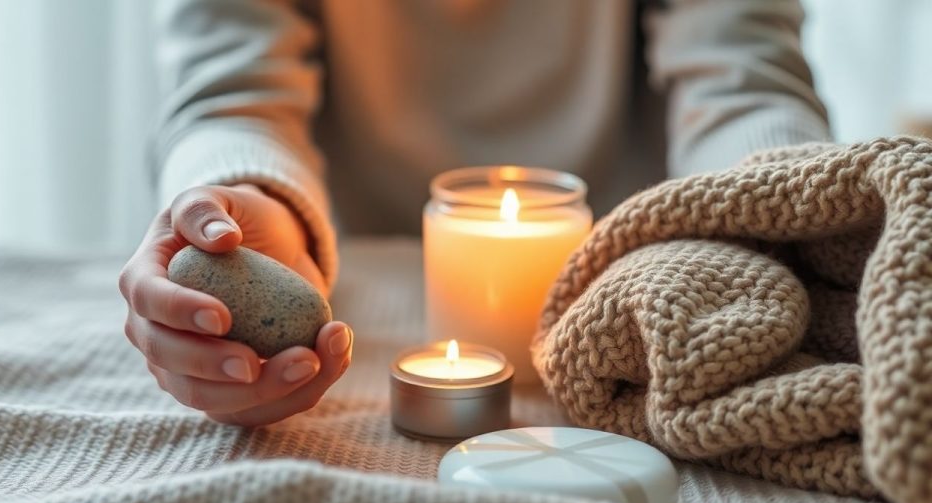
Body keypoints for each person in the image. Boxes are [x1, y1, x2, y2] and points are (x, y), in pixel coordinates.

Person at [120, 0, 831, 427]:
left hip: (650, 281)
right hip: (349, 272)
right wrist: (247, 203)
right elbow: (228, 92)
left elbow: (744, 76)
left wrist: (766, 206)